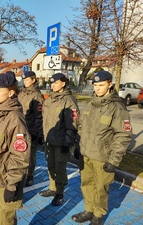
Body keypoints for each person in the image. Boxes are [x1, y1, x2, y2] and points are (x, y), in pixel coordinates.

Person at [72, 71, 132, 225]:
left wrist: (114, 160)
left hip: (103, 157)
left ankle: (98, 215)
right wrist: (79, 147)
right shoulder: (89, 104)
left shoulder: (117, 108)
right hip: (86, 155)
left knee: (101, 189)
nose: (97, 88)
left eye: (101, 85)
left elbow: (123, 136)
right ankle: (89, 210)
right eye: (95, 85)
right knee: (86, 184)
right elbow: (81, 127)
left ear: (110, 84)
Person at [0, 72, 31, 225]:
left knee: (6, 219)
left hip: (6, 180)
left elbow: (20, 156)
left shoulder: (14, 119)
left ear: (10, 93)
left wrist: (12, 185)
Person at [39, 73, 79, 206]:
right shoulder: (49, 99)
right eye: (52, 83)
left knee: (60, 167)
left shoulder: (69, 100)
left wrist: (68, 142)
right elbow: (44, 119)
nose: (53, 85)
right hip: (49, 140)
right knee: (50, 165)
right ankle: (53, 188)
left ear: (63, 83)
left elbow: (73, 124)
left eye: (56, 82)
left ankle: (60, 193)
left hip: (62, 142)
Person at [18, 71, 44, 186]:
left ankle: (30, 175)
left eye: (27, 80)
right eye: (24, 80)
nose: (25, 82)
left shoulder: (37, 96)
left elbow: (39, 116)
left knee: (30, 155)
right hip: (20, 128)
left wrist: (37, 132)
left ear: (33, 80)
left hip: (31, 129)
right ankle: (22, 174)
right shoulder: (21, 93)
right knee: (20, 153)